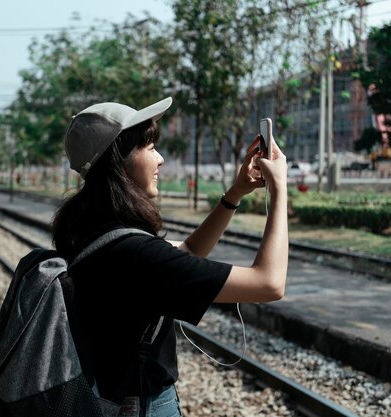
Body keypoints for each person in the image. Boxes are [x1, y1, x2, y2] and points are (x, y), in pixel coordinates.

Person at [51, 97, 288, 417]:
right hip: (141, 407)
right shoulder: (135, 254)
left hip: (107, 398)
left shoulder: (89, 230)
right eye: (149, 147)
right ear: (118, 162)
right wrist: (279, 189)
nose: (160, 159)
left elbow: (187, 252)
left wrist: (235, 193)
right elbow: (269, 283)